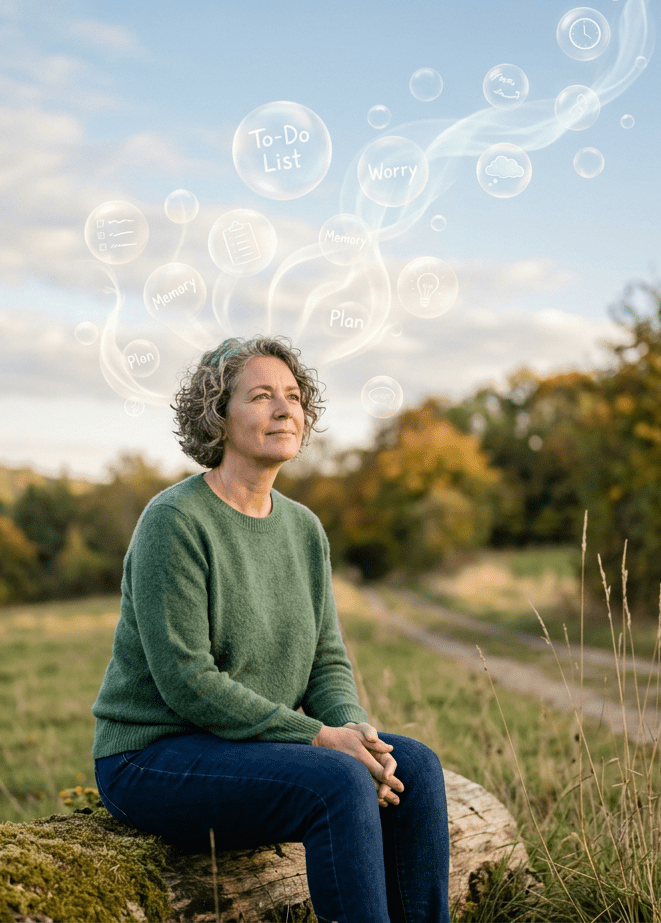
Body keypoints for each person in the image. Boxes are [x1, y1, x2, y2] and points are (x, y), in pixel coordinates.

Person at [91, 336, 450, 922]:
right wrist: (318, 739)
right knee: (337, 782)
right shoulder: (174, 522)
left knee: (413, 766)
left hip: (253, 745)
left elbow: (326, 660)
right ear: (218, 418)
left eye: (292, 395)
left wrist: (352, 731)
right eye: (261, 396)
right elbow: (188, 681)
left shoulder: (304, 529)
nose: (285, 409)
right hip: (153, 756)